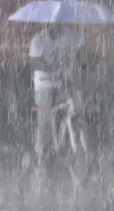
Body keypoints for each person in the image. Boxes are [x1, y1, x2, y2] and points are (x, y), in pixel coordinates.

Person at [29, 25, 84, 162]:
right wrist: (53, 69)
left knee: (75, 109)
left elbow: (80, 52)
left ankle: (70, 141)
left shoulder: (71, 36)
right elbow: (36, 62)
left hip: (64, 81)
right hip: (44, 82)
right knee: (45, 118)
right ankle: (41, 153)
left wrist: (75, 62)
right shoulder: (38, 40)